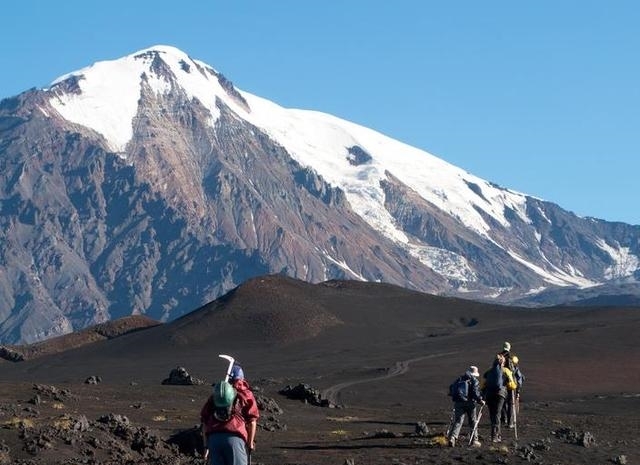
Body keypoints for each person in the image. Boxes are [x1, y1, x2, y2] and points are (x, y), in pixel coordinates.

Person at [200, 362, 259, 465]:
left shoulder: (217, 395)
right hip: (235, 440)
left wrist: (206, 446)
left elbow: (204, 422)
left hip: (214, 440)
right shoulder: (245, 395)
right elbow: (252, 421)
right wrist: (250, 443)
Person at [447, 365, 485, 447]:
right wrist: (480, 401)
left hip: (458, 402)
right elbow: (475, 393)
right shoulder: (474, 380)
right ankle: (474, 440)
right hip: (470, 403)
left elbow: (451, 388)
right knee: (473, 422)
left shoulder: (460, 379)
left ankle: (453, 437)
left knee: (458, 421)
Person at [481, 354, 514, 442]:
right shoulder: (506, 370)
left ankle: (494, 435)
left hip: (489, 395)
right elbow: (512, 385)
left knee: (493, 415)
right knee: (497, 414)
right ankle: (496, 436)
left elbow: (482, 385)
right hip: (500, 395)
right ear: (503, 362)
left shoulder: (488, 371)